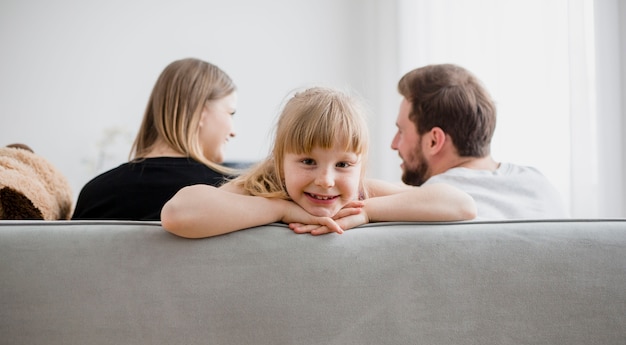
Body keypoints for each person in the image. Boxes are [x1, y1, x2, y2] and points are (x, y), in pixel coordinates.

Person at [161, 87, 476, 238]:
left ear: (360, 167)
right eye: (308, 161)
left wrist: (367, 212)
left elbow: (460, 204)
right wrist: (281, 209)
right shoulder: (264, 187)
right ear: (280, 161)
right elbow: (178, 213)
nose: (326, 179)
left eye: (343, 165)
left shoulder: (361, 197)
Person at [392, 63, 568, 220]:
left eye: (401, 131)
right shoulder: (541, 187)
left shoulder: (430, 205)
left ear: (434, 141)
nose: (393, 144)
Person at [72, 57, 239, 220]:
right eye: (230, 113)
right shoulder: (233, 193)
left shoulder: (95, 194)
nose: (234, 132)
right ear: (200, 113)